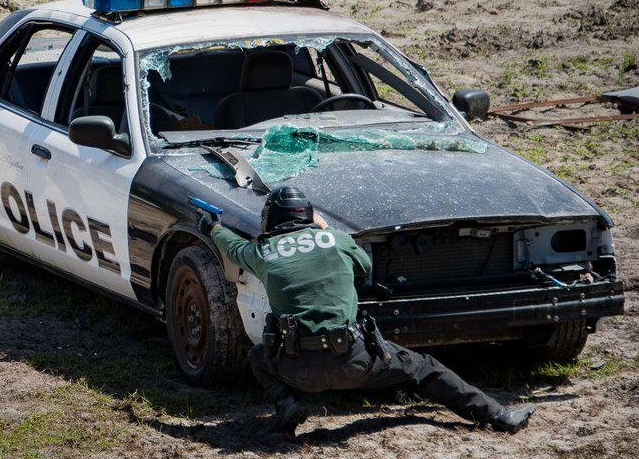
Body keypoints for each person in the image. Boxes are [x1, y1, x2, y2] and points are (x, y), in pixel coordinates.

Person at [203, 186, 537, 437]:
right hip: (356, 364)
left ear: (270, 221)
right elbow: (365, 268)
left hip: (296, 369)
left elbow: (233, 247)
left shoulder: (263, 251)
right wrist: (325, 233)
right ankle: (497, 416)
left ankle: (287, 405)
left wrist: (213, 228)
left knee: (260, 356)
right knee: (424, 368)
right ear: (309, 216)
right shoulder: (336, 239)